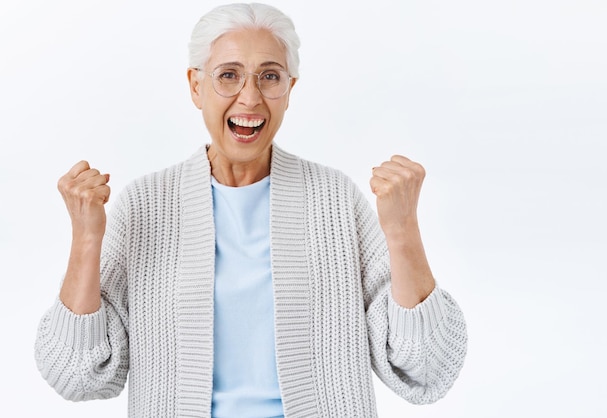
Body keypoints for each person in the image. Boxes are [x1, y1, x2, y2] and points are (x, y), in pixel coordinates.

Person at [34, 3, 467, 417]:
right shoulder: (145, 206)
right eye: (228, 76)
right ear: (196, 86)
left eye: (269, 77)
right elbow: (76, 375)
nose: (250, 98)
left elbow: (427, 370)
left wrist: (403, 230)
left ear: (290, 89)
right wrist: (87, 240)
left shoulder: (336, 201)